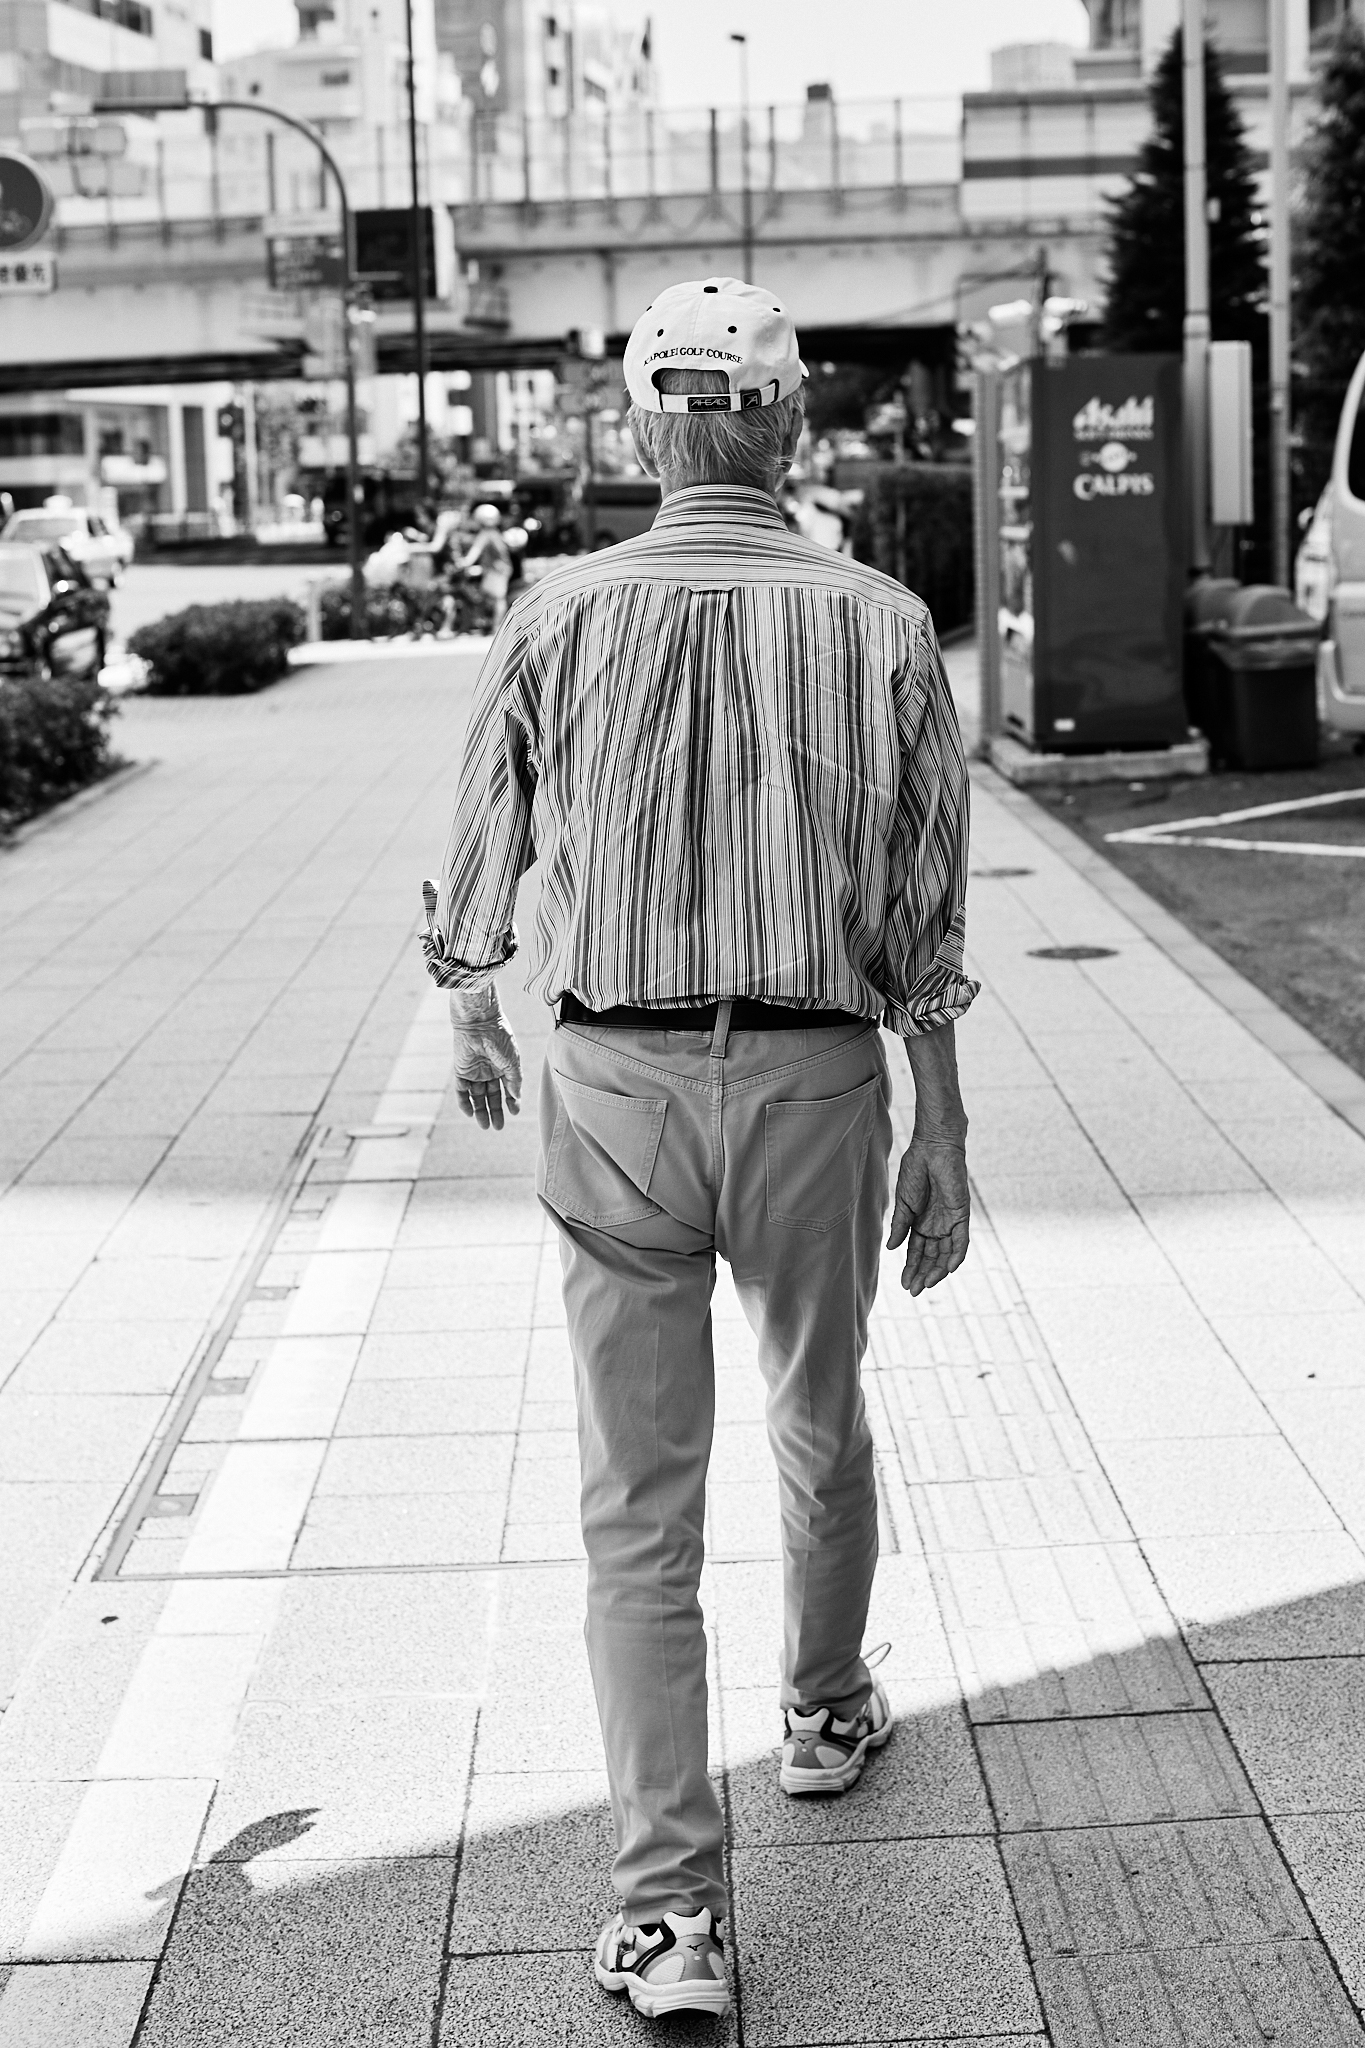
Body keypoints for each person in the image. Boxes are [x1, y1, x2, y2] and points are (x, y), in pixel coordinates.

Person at [421, 275, 976, 2024]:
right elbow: (921, 906)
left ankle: (669, 1919)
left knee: (636, 1508)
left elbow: (480, 863)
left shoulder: (553, 613)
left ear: (649, 424)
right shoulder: (884, 621)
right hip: (818, 1080)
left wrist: (474, 1012)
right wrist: (940, 1121)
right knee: (819, 1407)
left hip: (618, 1090)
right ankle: (823, 1712)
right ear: (788, 421)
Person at [461, 501, 513, 630]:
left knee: (497, 599)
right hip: (498, 569)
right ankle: (491, 624)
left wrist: (465, 562)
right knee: (490, 597)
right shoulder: (494, 533)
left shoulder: (486, 533)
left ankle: (496, 627)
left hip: (497, 570)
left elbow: (475, 551)